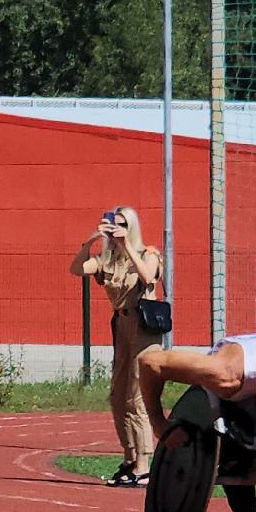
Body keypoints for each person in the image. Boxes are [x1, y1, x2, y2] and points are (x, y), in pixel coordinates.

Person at [70, 205, 164, 488]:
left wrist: (128, 246)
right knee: (118, 396)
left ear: (131, 227)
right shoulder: (107, 260)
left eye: (122, 224)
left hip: (143, 327)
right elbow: (76, 269)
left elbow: (148, 277)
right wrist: (91, 240)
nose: (116, 229)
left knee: (136, 398)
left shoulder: (148, 254)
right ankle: (130, 457)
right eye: (113, 224)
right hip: (121, 326)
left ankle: (145, 465)